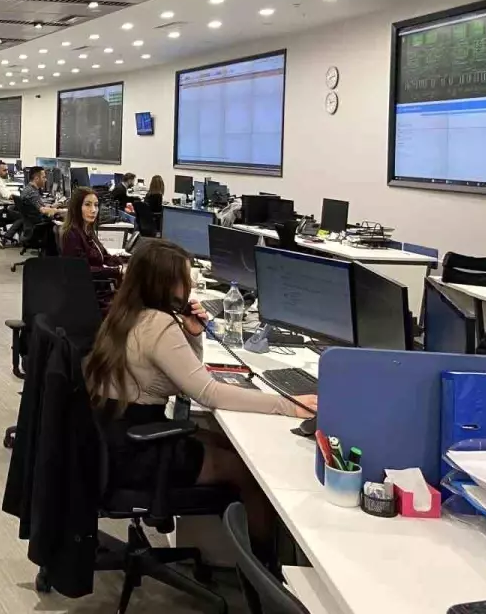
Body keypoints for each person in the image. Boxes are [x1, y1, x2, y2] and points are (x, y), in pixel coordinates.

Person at [83, 239, 316, 567]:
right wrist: (289, 405)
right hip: (135, 452)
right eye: (184, 279)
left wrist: (192, 334)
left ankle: (249, 555)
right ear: (164, 284)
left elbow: (184, 378)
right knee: (249, 473)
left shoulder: (124, 313)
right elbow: (207, 393)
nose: (190, 286)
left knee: (230, 446)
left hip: (113, 439)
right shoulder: (158, 325)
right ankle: (264, 572)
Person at [60, 187, 124, 310]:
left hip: (97, 288)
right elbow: (82, 270)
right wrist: (116, 271)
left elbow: (104, 256)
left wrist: (122, 263)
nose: (93, 210)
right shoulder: (71, 235)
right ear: (77, 208)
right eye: (87, 205)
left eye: (96, 205)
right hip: (87, 295)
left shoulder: (88, 230)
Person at [14, 165, 62, 241]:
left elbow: (37, 206)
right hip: (37, 223)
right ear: (36, 178)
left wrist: (52, 206)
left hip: (30, 222)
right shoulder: (32, 192)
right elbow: (43, 210)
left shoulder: (29, 188)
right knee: (60, 221)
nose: (46, 180)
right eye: (44, 177)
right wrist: (61, 210)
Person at [0, 160, 21, 245]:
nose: (7, 172)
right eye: (4, 170)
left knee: (16, 208)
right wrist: (20, 197)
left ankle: (18, 237)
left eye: (7, 170)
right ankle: (6, 237)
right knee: (22, 216)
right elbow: (8, 196)